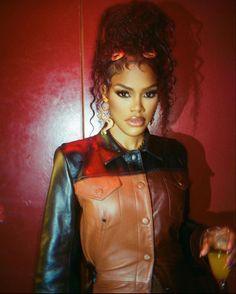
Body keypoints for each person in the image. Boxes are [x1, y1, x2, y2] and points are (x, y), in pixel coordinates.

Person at [34, 1, 235, 293]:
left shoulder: (174, 154)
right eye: (124, 93)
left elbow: (176, 236)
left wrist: (205, 237)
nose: (138, 107)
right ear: (105, 92)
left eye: (149, 93)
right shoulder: (74, 160)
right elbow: (55, 268)